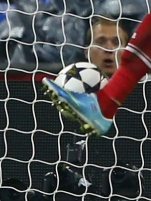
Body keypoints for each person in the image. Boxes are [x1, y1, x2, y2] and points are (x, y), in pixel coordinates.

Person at [44, 7, 151, 136]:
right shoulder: (67, 82)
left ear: (127, 50)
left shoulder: (146, 91)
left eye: (116, 42)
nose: (109, 49)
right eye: (101, 42)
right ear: (86, 51)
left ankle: (103, 103)